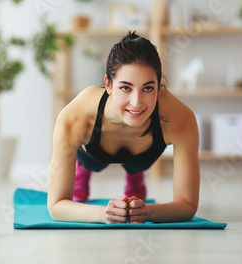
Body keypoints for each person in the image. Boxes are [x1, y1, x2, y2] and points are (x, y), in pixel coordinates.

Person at [47, 31, 200, 224]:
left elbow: (188, 205)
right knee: (90, 162)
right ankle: (82, 169)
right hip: (92, 154)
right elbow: (56, 206)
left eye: (148, 88)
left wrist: (148, 212)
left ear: (159, 87)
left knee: (137, 165)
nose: (136, 103)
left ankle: (134, 173)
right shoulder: (76, 116)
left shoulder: (180, 119)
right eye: (126, 88)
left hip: (142, 157)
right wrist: (103, 213)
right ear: (108, 85)